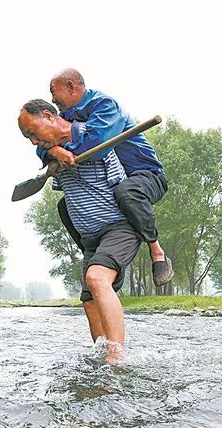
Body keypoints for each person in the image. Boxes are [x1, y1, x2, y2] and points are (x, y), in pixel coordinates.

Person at [18, 99, 141, 364]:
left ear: (49, 116)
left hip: (119, 227)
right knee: (89, 299)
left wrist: (72, 154)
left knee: (97, 279)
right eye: (28, 137)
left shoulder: (96, 138)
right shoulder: (50, 152)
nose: (33, 141)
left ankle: (117, 358)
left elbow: (123, 187)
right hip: (91, 238)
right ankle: (101, 355)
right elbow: (47, 157)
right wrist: (54, 158)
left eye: (32, 133)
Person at [37, 68, 174, 287]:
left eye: (54, 92)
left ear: (71, 87)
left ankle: (157, 252)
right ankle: (98, 256)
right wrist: (54, 151)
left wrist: (62, 150)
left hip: (144, 175)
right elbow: (43, 142)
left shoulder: (104, 105)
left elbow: (97, 145)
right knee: (66, 206)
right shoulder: (66, 116)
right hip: (113, 183)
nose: (52, 99)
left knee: (127, 193)